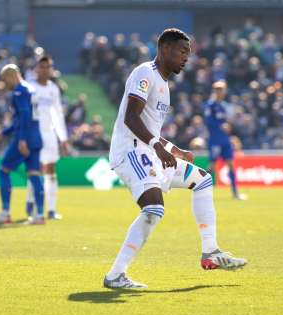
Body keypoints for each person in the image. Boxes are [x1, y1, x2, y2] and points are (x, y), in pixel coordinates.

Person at [103, 28, 247, 289]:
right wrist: (158, 147)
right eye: (183, 51)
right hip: (131, 151)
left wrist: (174, 150)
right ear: (165, 49)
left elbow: (152, 130)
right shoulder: (144, 73)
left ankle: (210, 251)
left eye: (189, 53)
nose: (186, 58)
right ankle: (115, 275)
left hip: (149, 150)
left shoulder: (164, 86)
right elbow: (131, 118)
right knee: (154, 209)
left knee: (203, 179)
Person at [0, 64, 45, 226]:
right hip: (36, 137)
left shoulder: (19, 91)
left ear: (11, 76)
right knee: (34, 174)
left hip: (23, 138)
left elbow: (25, 115)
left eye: (5, 80)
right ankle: (39, 215)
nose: (5, 84)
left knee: (4, 170)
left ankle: (5, 213)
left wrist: (22, 140)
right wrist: (3, 133)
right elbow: (23, 118)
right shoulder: (31, 89)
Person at [26, 56, 68, 221]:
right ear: (36, 68)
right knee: (34, 170)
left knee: (50, 171)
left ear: (51, 69)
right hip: (34, 133)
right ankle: (30, 202)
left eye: (47, 67)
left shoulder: (53, 89)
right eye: (41, 66)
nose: (44, 70)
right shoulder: (30, 87)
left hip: (49, 135)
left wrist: (63, 138)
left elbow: (58, 114)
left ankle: (51, 209)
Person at [204, 80, 247, 200]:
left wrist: (229, 125)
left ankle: (235, 193)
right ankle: (199, 188)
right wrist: (220, 125)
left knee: (231, 165)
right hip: (215, 140)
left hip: (225, 140)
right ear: (214, 91)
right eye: (218, 89)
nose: (220, 92)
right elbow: (208, 121)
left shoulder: (223, 106)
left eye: (222, 89)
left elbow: (227, 122)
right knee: (211, 166)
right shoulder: (210, 105)